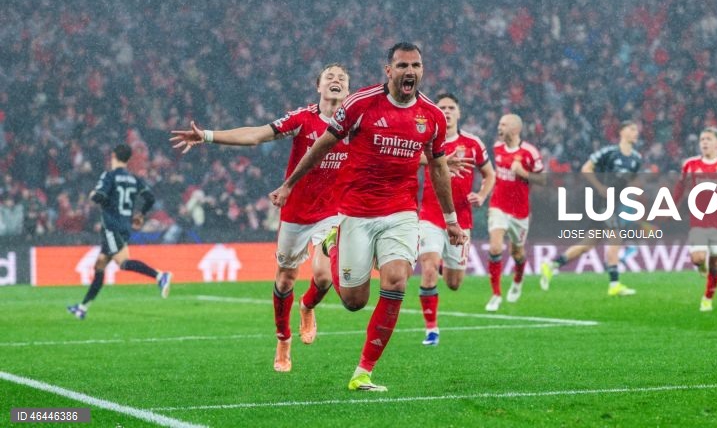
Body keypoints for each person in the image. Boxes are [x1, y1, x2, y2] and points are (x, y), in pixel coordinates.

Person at [270, 42, 467, 392]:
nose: (410, 71)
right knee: (353, 301)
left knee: (396, 281)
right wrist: (289, 184)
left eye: (416, 65)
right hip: (356, 211)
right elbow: (322, 146)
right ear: (388, 71)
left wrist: (451, 219)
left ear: (422, 71)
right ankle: (332, 244)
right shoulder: (361, 103)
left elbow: (437, 166)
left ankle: (363, 372)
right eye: (402, 65)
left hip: (402, 211)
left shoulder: (432, 116)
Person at [170, 63, 351, 372]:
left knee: (324, 276)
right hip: (296, 212)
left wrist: (433, 160)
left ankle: (307, 307)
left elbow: (389, 151)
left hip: (332, 212)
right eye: (329, 77)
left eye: (342, 79)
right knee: (285, 279)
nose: (336, 81)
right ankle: (283, 339)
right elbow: (255, 135)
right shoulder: (301, 119)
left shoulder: (355, 122)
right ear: (318, 87)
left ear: (347, 90)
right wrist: (209, 136)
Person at [417, 93, 495, 344]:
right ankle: (431, 329)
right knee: (428, 269)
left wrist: (482, 195)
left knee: (453, 283)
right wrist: (435, 160)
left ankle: (444, 264)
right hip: (430, 214)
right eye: (442, 108)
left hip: (461, 218)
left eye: (451, 108)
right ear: (435, 112)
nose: (447, 111)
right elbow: (408, 158)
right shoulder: (426, 139)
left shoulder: (472, 143)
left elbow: (489, 174)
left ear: (459, 113)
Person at [67, 144, 171, 320]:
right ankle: (82, 308)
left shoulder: (109, 176)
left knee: (123, 263)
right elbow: (150, 198)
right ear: (128, 159)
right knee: (100, 264)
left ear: (113, 155)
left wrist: (93, 195)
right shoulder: (133, 179)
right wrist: (141, 214)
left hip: (111, 226)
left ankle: (160, 276)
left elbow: (99, 196)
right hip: (124, 225)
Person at [540, 121, 642, 296]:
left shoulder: (636, 158)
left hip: (616, 204)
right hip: (601, 202)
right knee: (615, 238)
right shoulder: (609, 153)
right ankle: (614, 284)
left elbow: (630, 181)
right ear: (621, 131)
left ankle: (552, 265)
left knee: (586, 246)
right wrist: (600, 187)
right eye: (632, 129)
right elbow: (586, 168)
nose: (636, 132)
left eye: (636, 130)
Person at [673, 127, 717, 312]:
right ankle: (700, 266)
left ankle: (707, 298)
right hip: (698, 219)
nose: (704, 142)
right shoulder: (690, 164)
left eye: (708, 139)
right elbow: (680, 188)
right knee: (697, 259)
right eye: (702, 139)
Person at [484, 114, 544, 311]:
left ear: (515, 129)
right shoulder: (497, 147)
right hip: (498, 205)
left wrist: (523, 173)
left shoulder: (530, 152)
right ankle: (496, 294)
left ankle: (518, 280)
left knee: (517, 252)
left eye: (503, 124)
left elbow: (543, 180)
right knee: (495, 248)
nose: (499, 127)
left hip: (520, 211)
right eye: (499, 123)